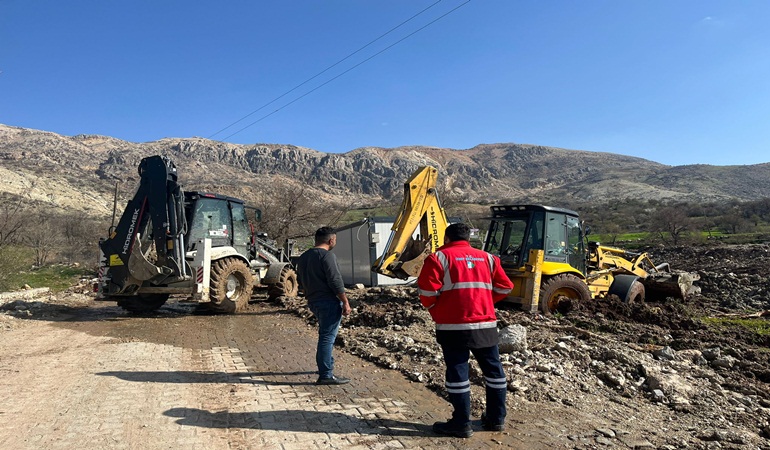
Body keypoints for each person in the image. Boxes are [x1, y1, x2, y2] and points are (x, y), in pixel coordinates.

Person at [417, 223, 514, 438]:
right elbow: (506, 287)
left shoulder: (438, 258)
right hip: (485, 325)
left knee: (458, 373)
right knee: (494, 372)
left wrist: (436, 308)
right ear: (468, 238)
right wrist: (485, 301)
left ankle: (461, 423)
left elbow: (426, 293)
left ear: (447, 238)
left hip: (453, 327)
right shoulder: (489, 258)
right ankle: (496, 419)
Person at [296, 226, 352, 385]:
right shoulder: (327, 256)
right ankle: (326, 374)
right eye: (335, 239)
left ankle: (326, 365)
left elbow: (300, 280)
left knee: (325, 335)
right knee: (327, 338)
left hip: (313, 301)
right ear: (331, 240)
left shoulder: (304, 257)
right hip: (328, 301)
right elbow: (335, 280)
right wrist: (346, 302)